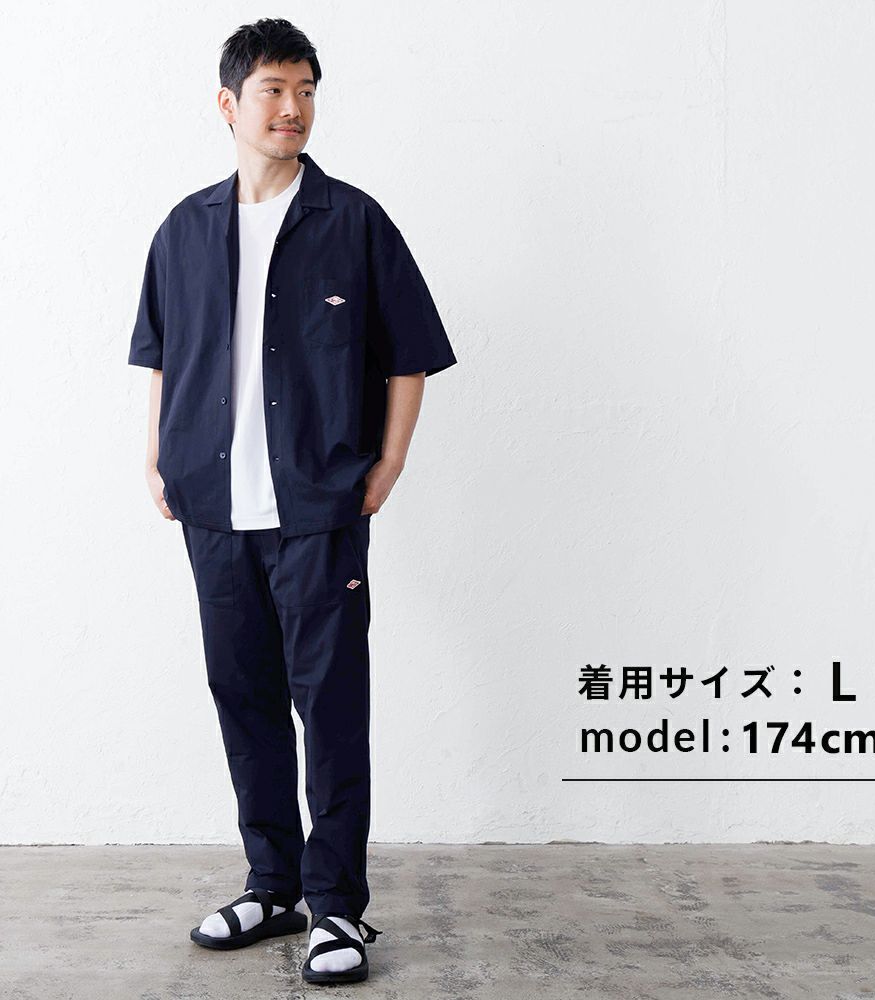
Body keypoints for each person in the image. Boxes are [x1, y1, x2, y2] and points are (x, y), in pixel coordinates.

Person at [126, 17, 457, 986]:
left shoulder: (354, 222)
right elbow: (160, 353)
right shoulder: (184, 230)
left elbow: (408, 355)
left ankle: (337, 907)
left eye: (306, 90)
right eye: (273, 89)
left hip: (318, 510)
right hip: (213, 509)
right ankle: (271, 885)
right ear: (228, 103)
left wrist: (388, 465)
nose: (293, 108)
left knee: (332, 706)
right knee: (244, 699)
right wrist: (155, 454)